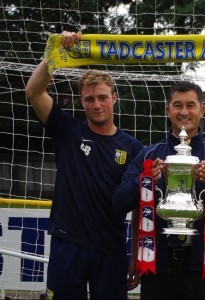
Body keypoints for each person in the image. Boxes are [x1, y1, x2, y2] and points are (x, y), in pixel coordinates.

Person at [112, 81, 205, 299]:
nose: (183, 112)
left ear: (201, 110)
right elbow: (118, 202)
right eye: (177, 105)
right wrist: (143, 181)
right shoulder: (148, 156)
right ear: (167, 110)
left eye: (190, 105)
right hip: (158, 266)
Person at [25, 31, 143, 299]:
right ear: (82, 102)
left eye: (102, 97)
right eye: (90, 99)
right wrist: (55, 55)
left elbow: (138, 206)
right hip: (68, 244)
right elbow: (33, 90)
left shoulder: (133, 147)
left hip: (110, 249)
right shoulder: (68, 131)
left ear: (114, 98)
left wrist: (136, 253)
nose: (96, 104)